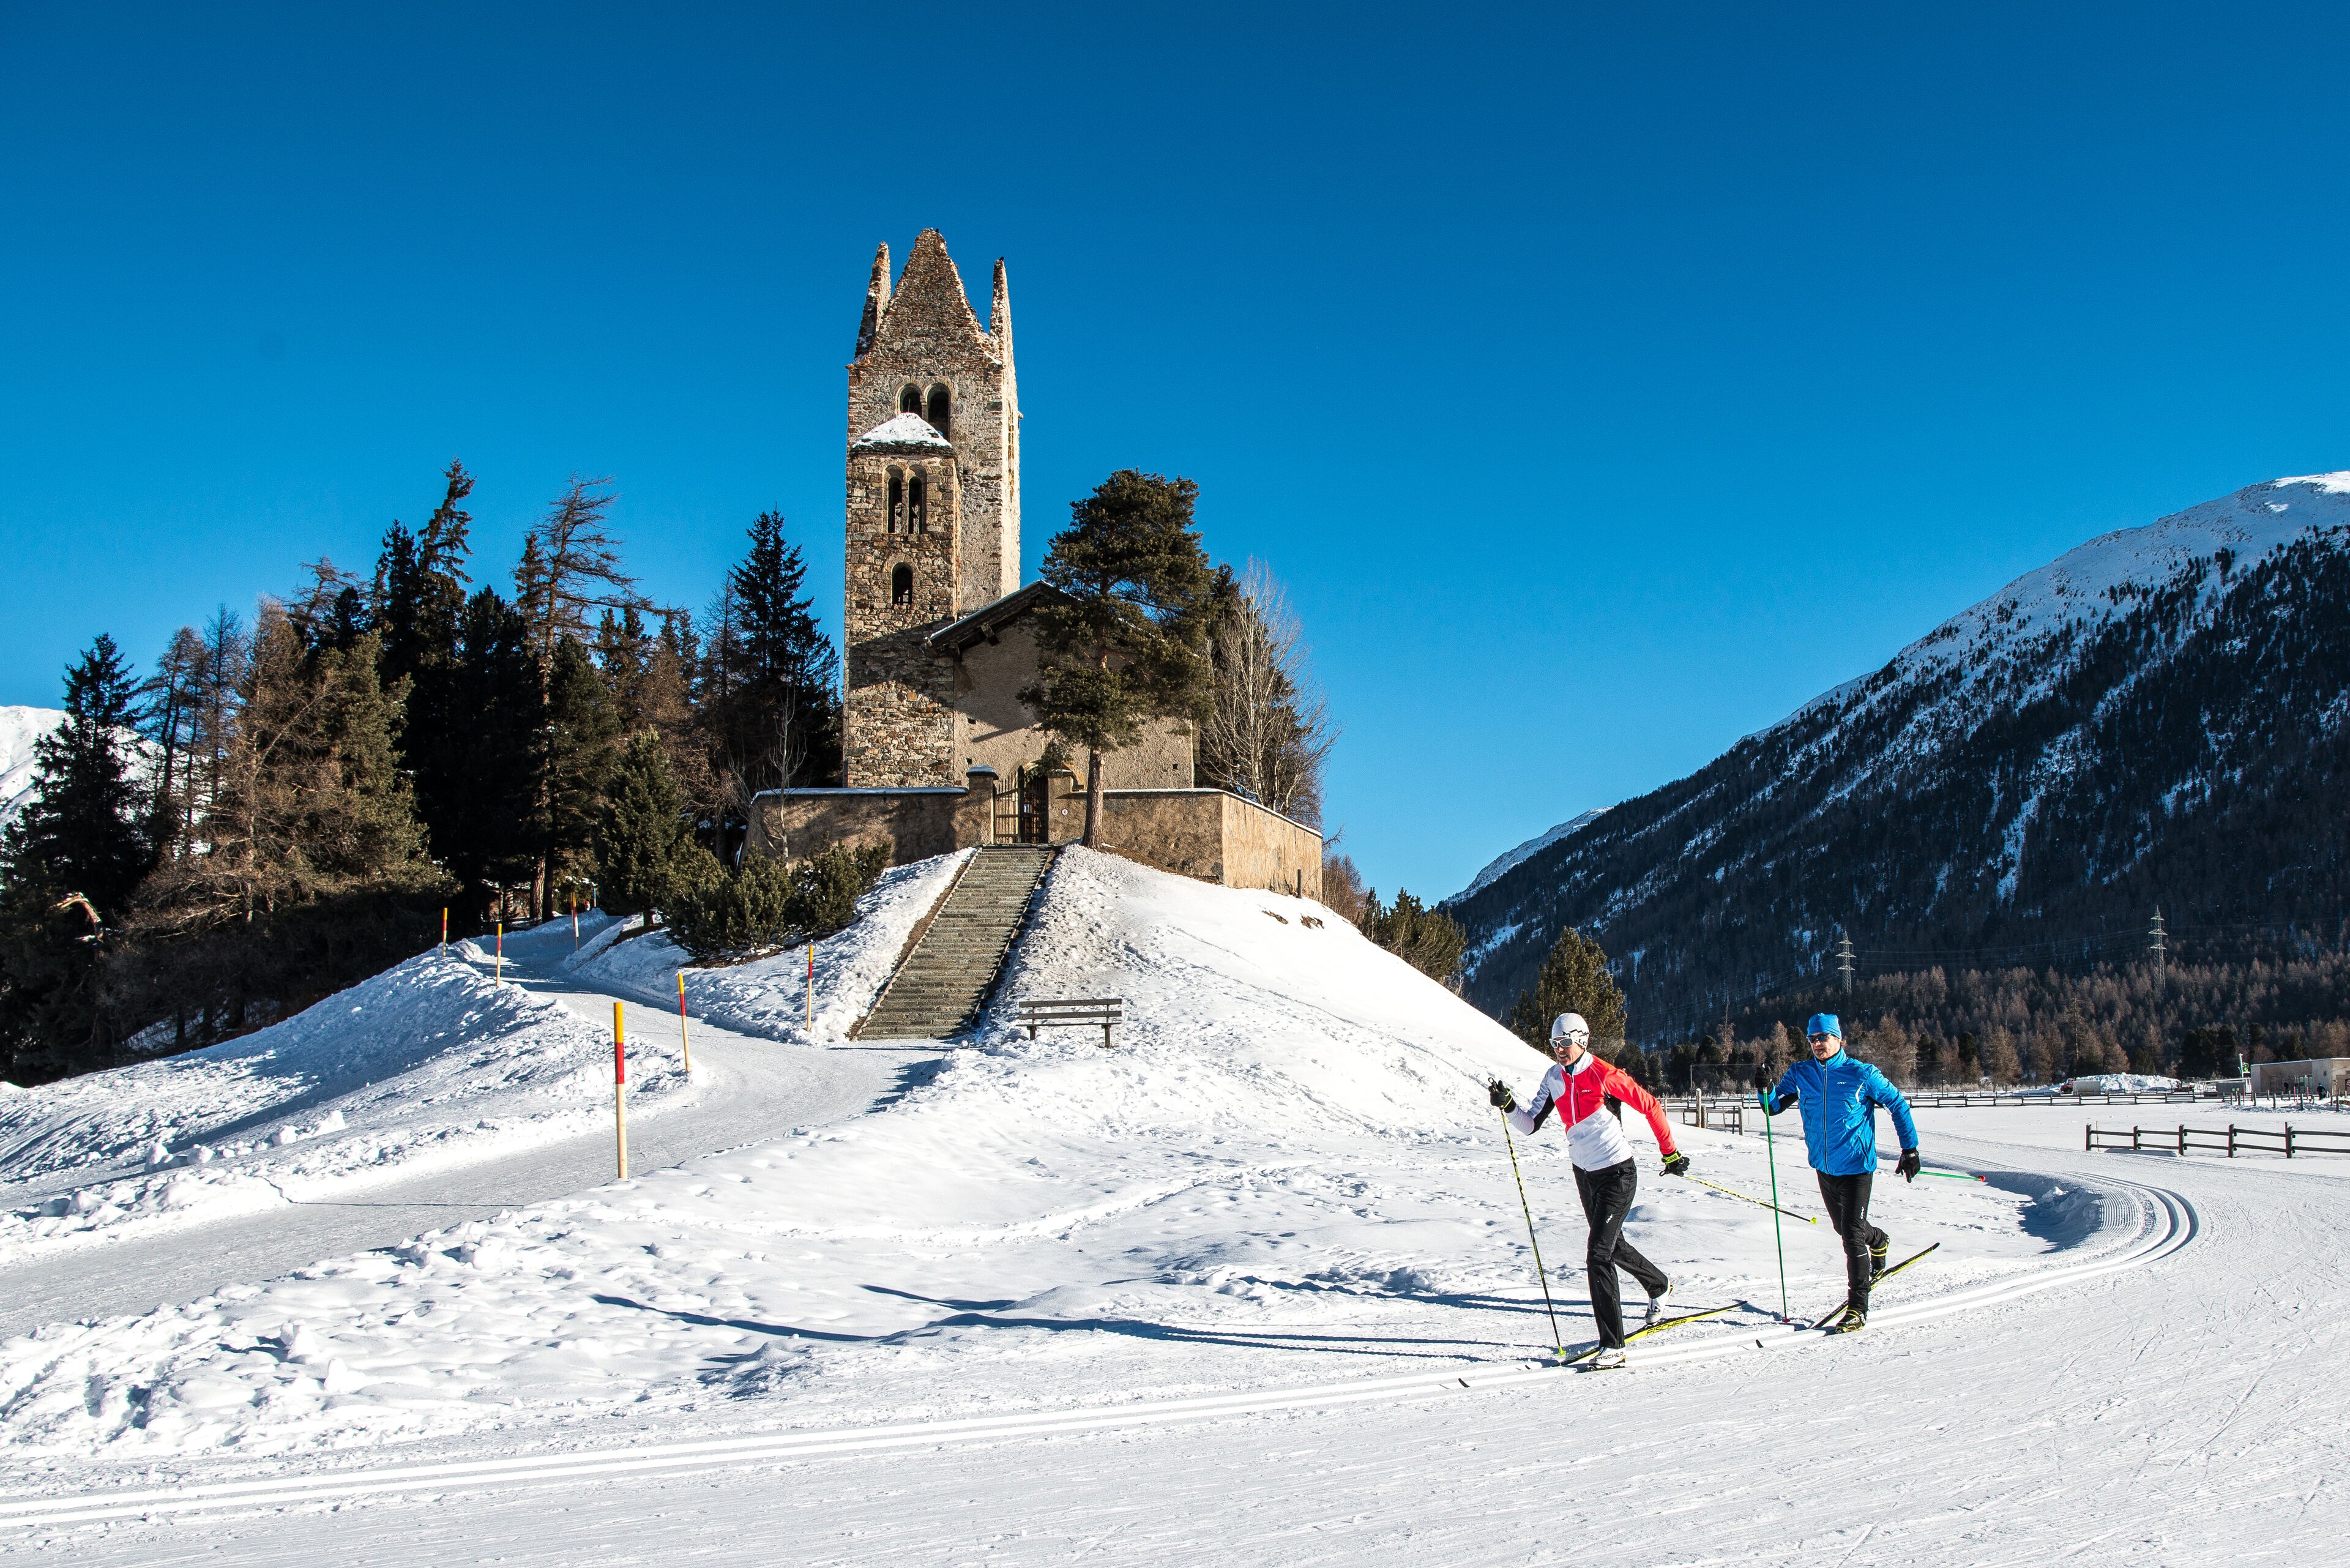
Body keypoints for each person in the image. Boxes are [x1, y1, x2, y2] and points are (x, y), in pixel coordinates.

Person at [1488, 1011, 1690, 1368]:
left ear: (1581, 1041)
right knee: (1613, 1246)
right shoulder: (1553, 1077)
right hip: (1585, 1174)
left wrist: (1670, 1153)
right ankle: (1659, 1285)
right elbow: (1530, 1125)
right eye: (1554, 1043)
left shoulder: (1605, 1074)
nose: (1559, 1049)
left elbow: (1651, 1106)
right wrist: (1508, 1105)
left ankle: (1614, 1346)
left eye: (1565, 1042)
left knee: (1598, 1255)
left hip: (1618, 1174)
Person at [1755, 1012, 1922, 1332]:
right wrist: (1766, 1087)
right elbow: (1772, 1108)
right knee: (1843, 1228)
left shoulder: (1862, 1074)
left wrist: (1910, 1149)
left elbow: (1898, 1105)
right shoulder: (1801, 1073)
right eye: (1813, 1039)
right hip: (1824, 1167)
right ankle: (1879, 1240)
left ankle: (1858, 1308)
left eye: (1824, 1037)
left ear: (1839, 1039)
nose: (1818, 1044)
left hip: (1857, 1166)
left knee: (1851, 1235)